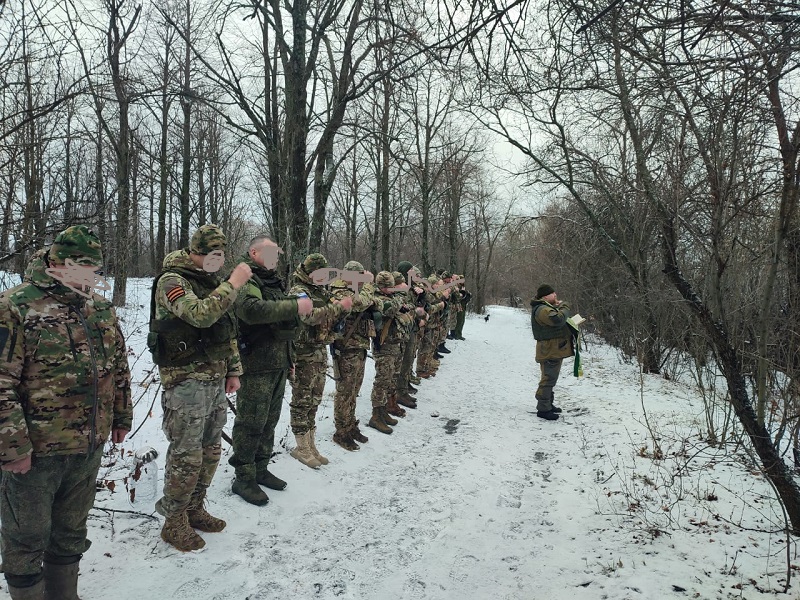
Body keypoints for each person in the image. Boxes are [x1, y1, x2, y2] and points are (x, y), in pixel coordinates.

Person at [0, 226, 132, 600]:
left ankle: (63, 594)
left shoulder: (99, 307)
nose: (86, 276)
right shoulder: (14, 306)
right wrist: (13, 449)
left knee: (71, 528)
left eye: (93, 268)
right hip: (35, 451)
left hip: (88, 444)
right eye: (78, 266)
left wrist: (121, 417)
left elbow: (117, 368)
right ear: (55, 261)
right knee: (25, 535)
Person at [149, 224, 251, 551]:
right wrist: (233, 284)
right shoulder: (172, 280)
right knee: (186, 454)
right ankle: (174, 520)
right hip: (185, 381)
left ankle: (194, 507)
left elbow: (225, 329)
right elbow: (200, 315)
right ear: (196, 252)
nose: (217, 261)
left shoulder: (213, 282)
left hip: (214, 379)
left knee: (210, 450)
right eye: (211, 255)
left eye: (221, 255)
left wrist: (233, 370)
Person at [228, 235, 313, 506]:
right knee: (250, 422)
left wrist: (290, 357)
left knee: (269, 421)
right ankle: (243, 476)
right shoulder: (246, 278)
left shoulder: (270, 280)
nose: (276, 258)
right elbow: (252, 311)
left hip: (276, 361)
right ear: (254, 252)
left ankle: (260, 468)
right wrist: (295, 306)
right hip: (255, 364)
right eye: (272, 253)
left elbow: (282, 324)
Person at [288, 253, 352, 468]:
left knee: (315, 399)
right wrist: (338, 307)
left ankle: (311, 443)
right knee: (302, 399)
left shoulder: (320, 292)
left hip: (318, 351)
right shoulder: (299, 291)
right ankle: (301, 446)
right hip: (303, 353)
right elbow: (309, 316)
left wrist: (341, 310)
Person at [329, 261, 375, 451]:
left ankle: (350, 425)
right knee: (345, 391)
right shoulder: (339, 292)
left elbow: (371, 301)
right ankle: (341, 431)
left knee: (354, 390)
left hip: (358, 347)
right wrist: (369, 285)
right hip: (346, 348)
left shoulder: (354, 290)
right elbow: (360, 303)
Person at [530, 284, 575, 421]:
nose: (555, 295)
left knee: (550, 378)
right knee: (548, 379)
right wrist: (565, 307)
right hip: (549, 351)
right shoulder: (542, 309)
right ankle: (543, 409)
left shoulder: (546, 308)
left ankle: (548, 404)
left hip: (553, 349)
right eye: (552, 294)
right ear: (545, 297)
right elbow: (557, 320)